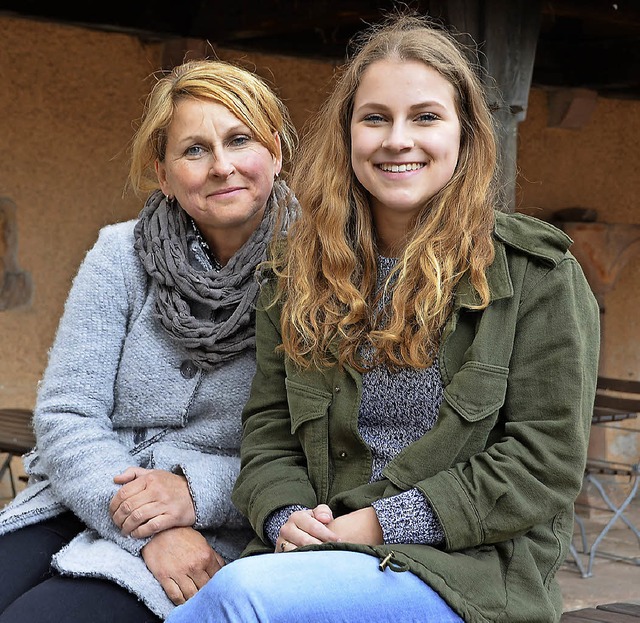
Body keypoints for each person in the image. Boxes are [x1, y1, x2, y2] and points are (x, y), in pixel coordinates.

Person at [165, 13, 601, 623]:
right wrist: (283, 516)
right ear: (348, 135)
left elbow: (542, 463)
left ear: (466, 134)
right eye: (376, 118)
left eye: (425, 117)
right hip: (312, 556)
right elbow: (268, 429)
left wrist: (373, 524)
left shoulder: (537, 276)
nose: (399, 139)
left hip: (463, 575)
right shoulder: (297, 272)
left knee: (240, 600)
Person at [0, 58, 298, 622]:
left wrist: (194, 492)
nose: (221, 166)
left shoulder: (317, 271)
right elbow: (66, 412)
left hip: (220, 523)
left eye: (240, 140)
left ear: (276, 153)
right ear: (162, 173)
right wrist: (143, 528)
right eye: (194, 150)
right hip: (79, 494)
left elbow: (314, 450)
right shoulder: (120, 253)